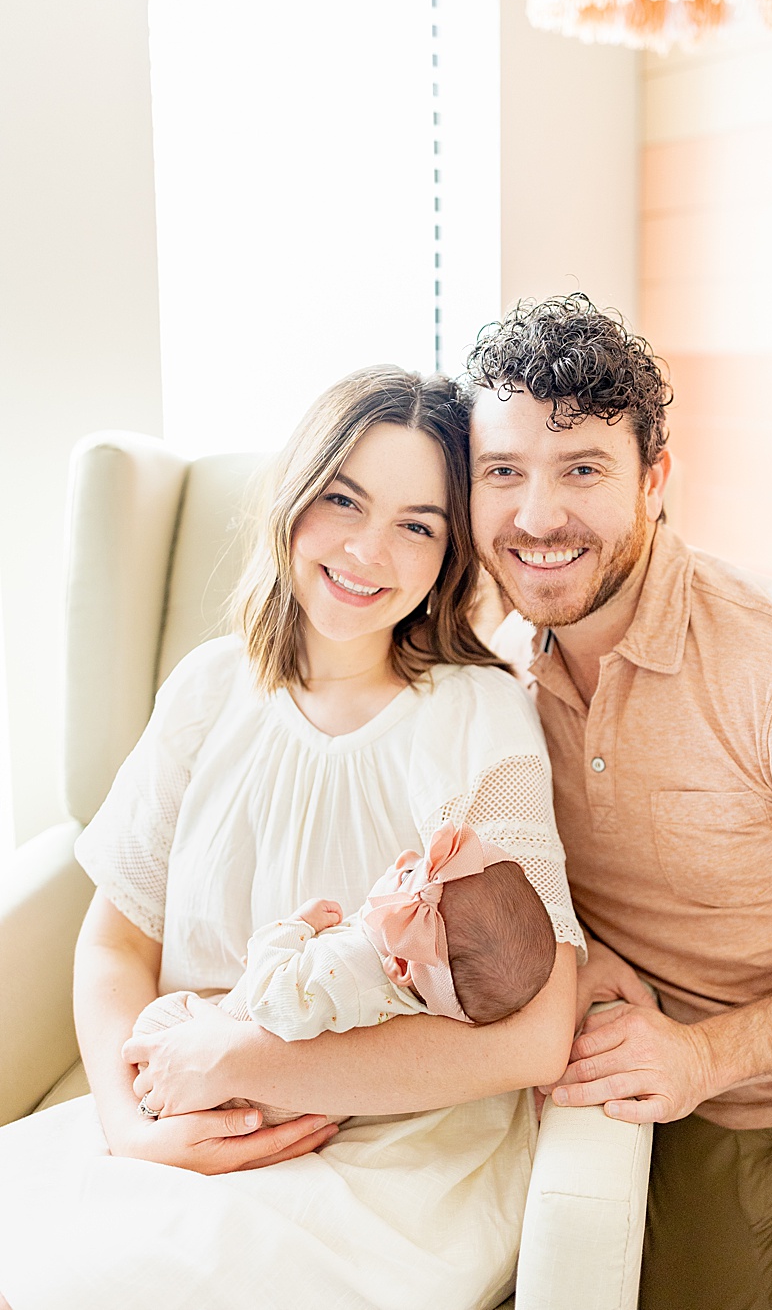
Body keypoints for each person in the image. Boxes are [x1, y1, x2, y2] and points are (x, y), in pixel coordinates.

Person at [0, 367, 584, 1310]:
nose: (367, 549)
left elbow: (536, 1033)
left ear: (450, 555)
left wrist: (247, 1064)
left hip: (393, 1153)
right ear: (295, 495)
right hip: (178, 1104)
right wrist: (129, 1124)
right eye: (343, 498)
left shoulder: (480, 717)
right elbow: (117, 936)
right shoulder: (207, 689)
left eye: (418, 523)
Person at [461, 295, 772, 1310]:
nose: (539, 515)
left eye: (583, 468)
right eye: (503, 472)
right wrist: (604, 964)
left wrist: (709, 1051)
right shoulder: (493, 688)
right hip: (663, 1127)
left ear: (654, 480)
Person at [131, 821, 556, 1125]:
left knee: (160, 1017)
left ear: (401, 964)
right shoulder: (423, 988)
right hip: (299, 1098)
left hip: (243, 1094)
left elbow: (272, 1000)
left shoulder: (346, 967)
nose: (403, 859)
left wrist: (292, 929)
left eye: (408, 876)